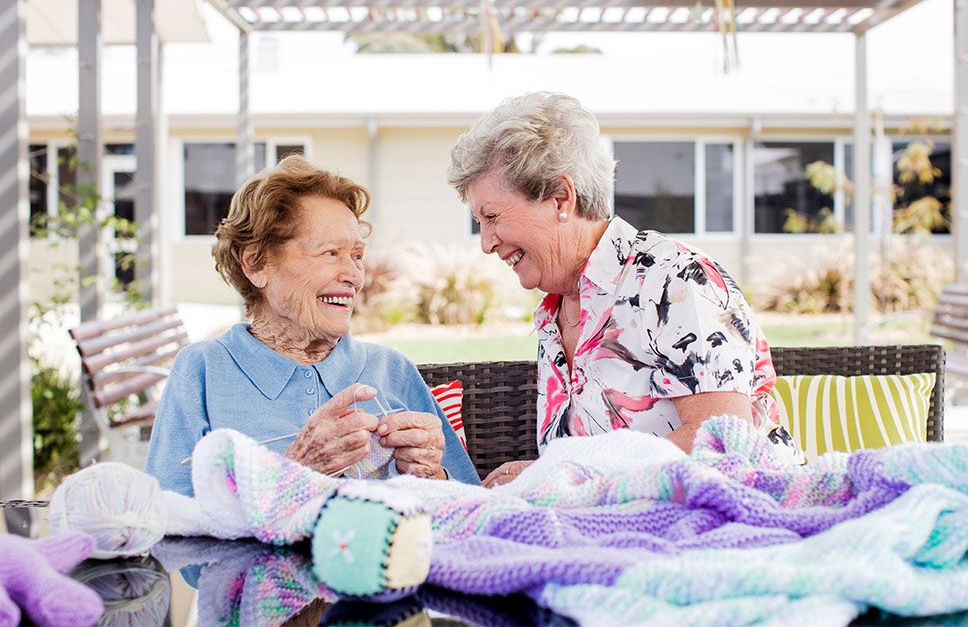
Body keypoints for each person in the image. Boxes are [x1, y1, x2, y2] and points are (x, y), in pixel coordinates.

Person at [447, 92, 802, 487]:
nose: (486, 242)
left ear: (561, 198)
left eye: (492, 217)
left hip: (739, 518)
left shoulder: (676, 280)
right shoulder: (559, 311)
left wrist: (565, 474)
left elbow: (722, 444)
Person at [145, 155, 478, 495]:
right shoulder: (203, 371)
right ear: (256, 263)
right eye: (330, 253)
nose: (353, 276)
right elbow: (167, 520)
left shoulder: (392, 369)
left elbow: (474, 510)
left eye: (357, 255)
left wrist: (433, 477)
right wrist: (296, 472)